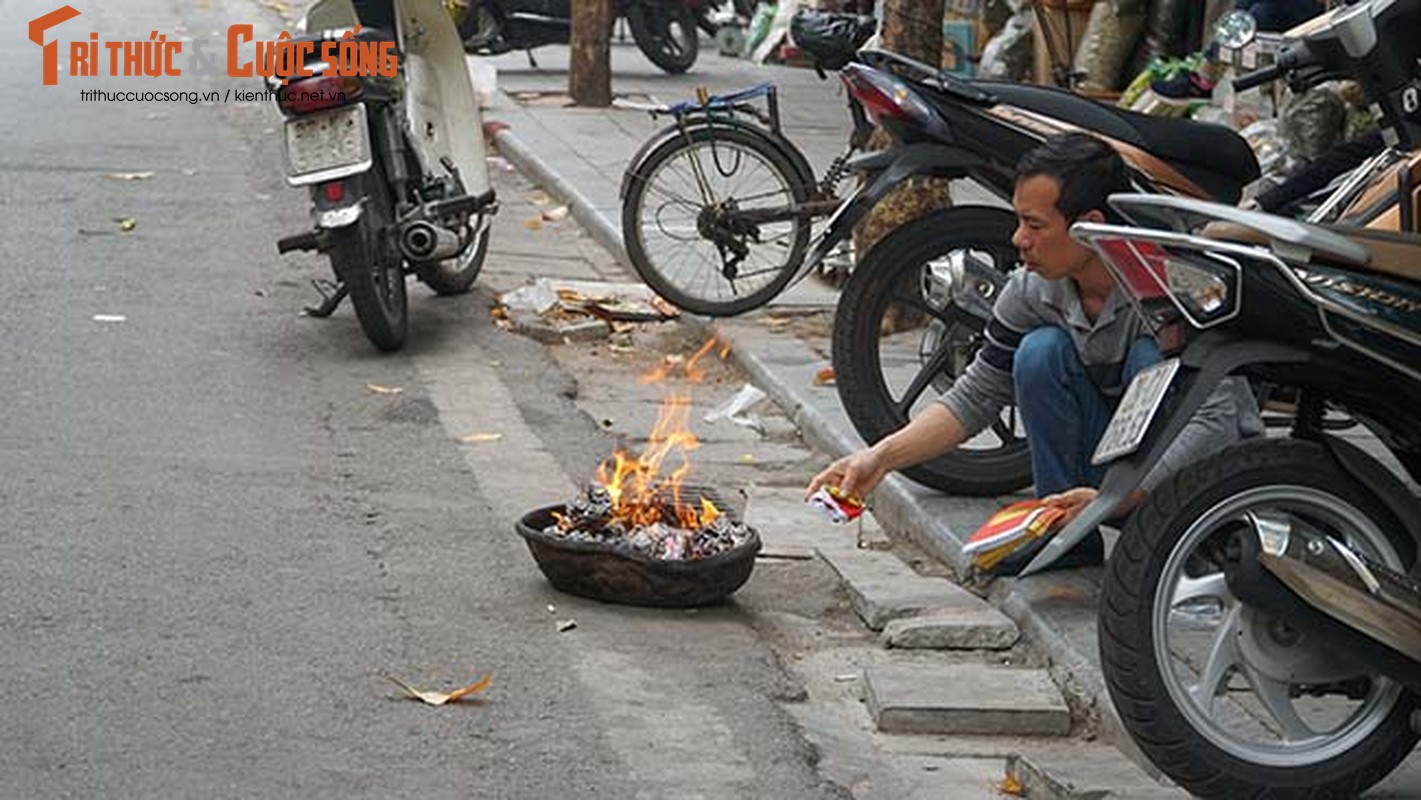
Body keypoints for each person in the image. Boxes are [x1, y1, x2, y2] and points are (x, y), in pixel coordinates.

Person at [806, 132, 1263, 574]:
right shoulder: (1031, 290)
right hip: (1109, 480)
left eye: (1036, 225)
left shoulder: (1170, 288)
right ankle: (1063, 533)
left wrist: (1128, 495)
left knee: (1150, 360)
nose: (1018, 239)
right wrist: (878, 459)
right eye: (1020, 221)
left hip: (1193, 483)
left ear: (1090, 229)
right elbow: (975, 396)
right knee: (1039, 352)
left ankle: (1161, 540)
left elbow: (1213, 420)